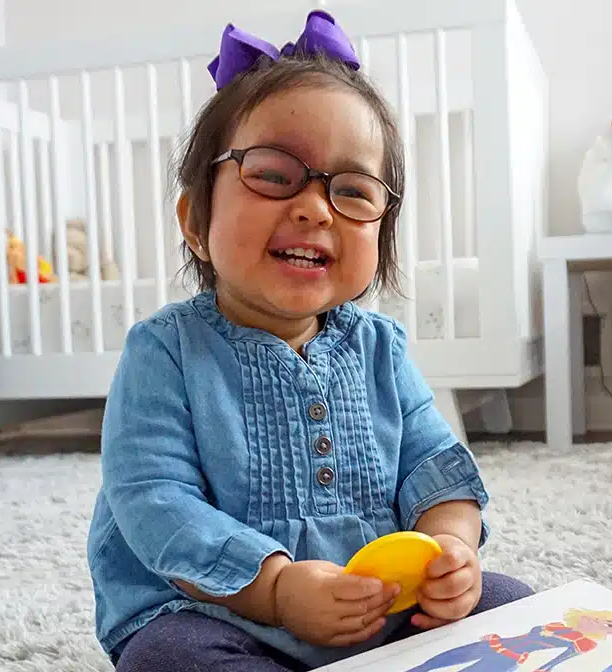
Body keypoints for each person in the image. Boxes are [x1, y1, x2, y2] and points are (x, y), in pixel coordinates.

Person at [86, 10, 533, 672]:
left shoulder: (380, 348)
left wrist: (451, 551)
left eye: (352, 190)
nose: (315, 208)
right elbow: (156, 503)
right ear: (195, 220)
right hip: (215, 612)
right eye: (273, 175)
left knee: (512, 607)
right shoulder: (165, 352)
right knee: (167, 659)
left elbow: (435, 466)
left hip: (381, 609)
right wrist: (274, 590)